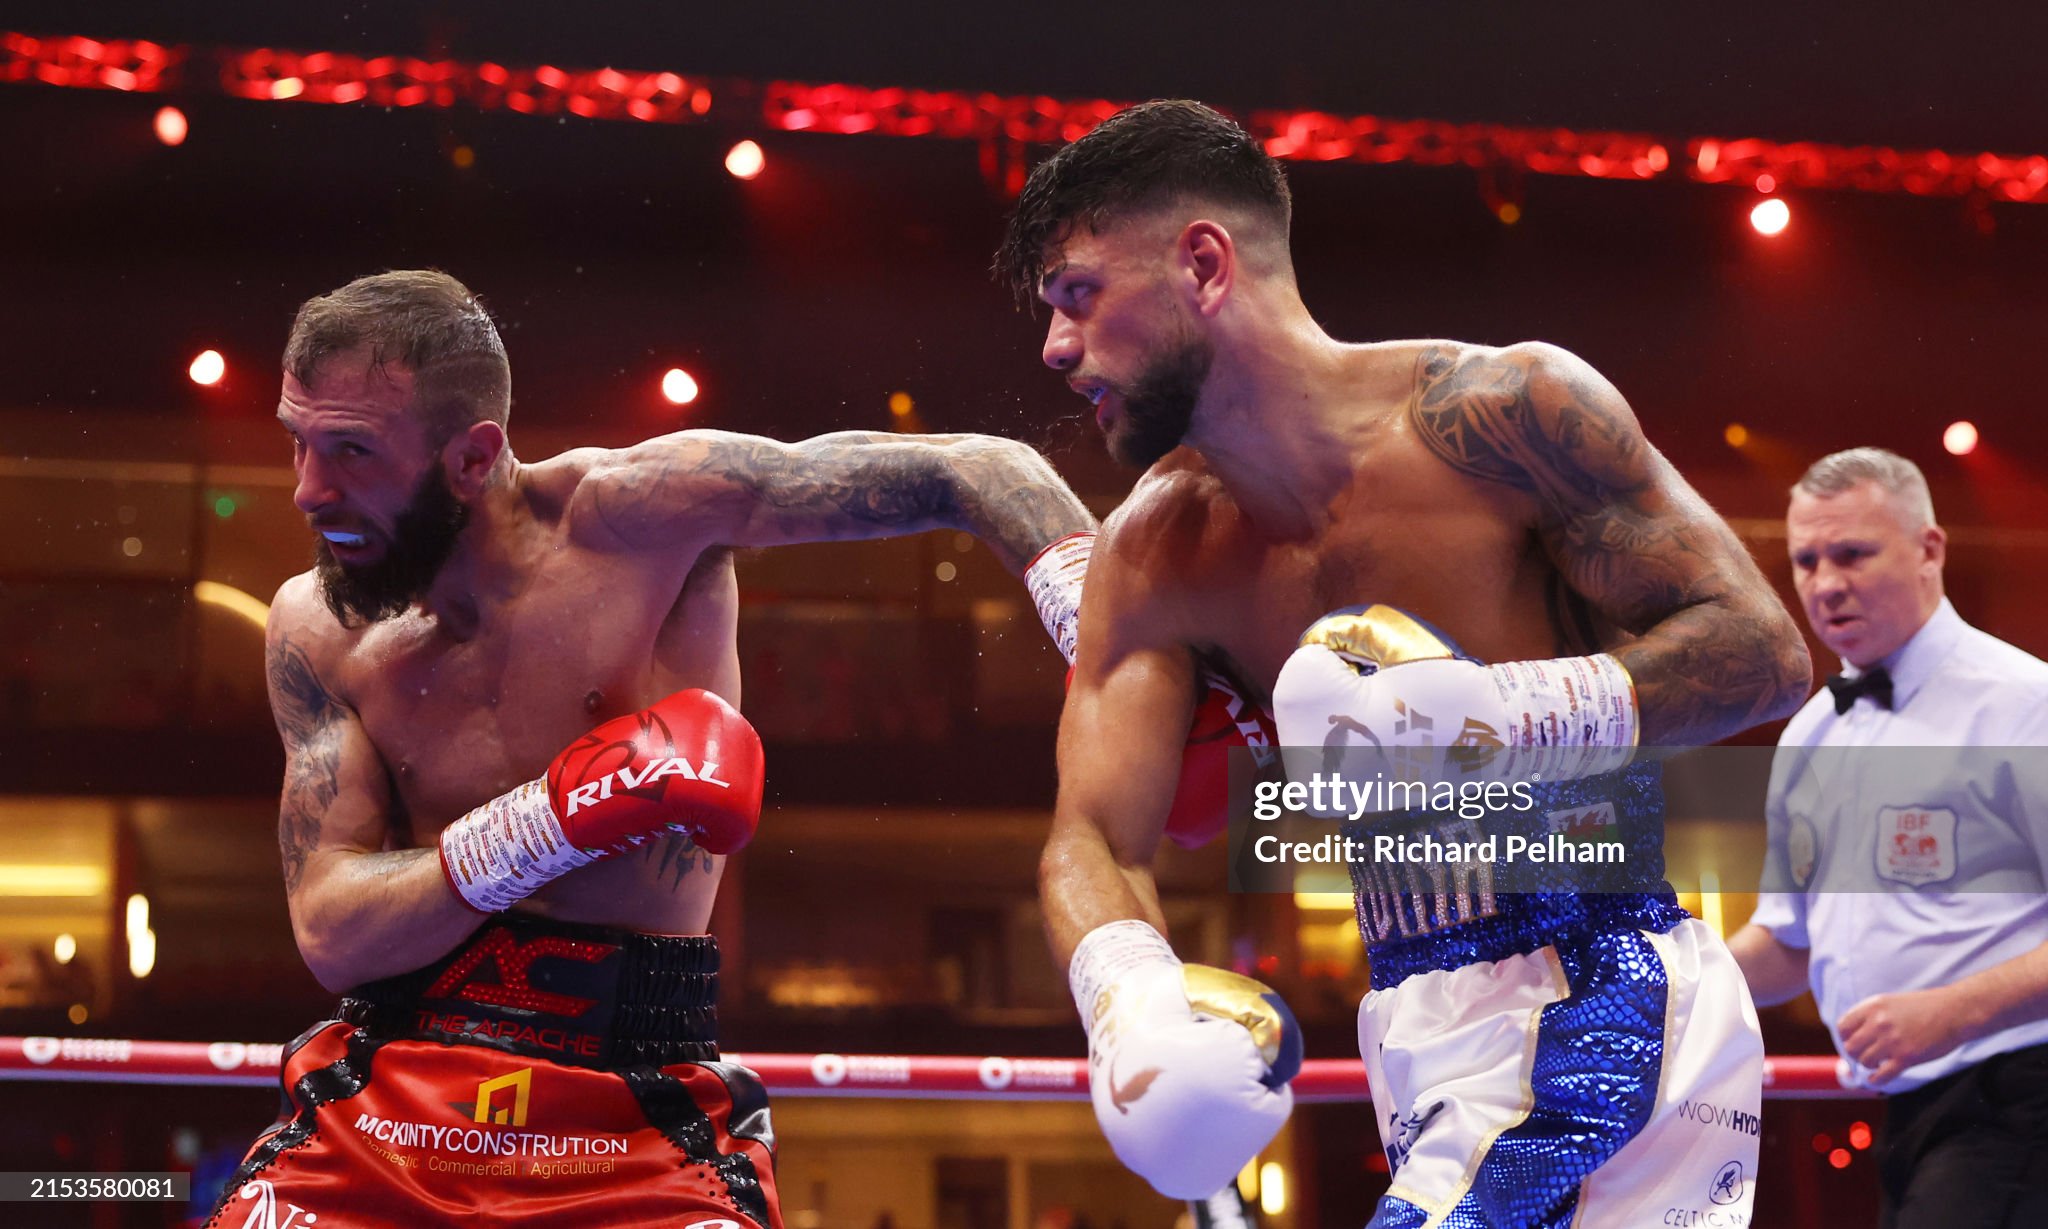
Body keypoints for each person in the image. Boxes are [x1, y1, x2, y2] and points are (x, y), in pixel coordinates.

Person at [998, 100, 1812, 1224]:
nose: (1055, 346)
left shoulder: (1502, 417)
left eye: (1077, 295)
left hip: (1597, 979)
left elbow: (1763, 650)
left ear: (1201, 264)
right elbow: (1092, 834)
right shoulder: (1157, 549)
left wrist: (1499, 713)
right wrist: (1127, 999)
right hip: (1412, 1011)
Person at [207, 269, 1101, 1229]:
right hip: (389, 1101)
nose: (308, 490)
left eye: (351, 451)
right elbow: (331, 930)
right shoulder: (315, 627)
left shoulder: (642, 519)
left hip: (632, 1106)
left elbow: (976, 471)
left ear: (473, 458)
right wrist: (549, 821)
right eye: (298, 442)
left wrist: (1112, 652)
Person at [1728, 447, 2048, 1228]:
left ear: (1929, 549)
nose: (1825, 582)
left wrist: (1954, 1010)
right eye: (1806, 559)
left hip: (2023, 1093)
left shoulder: (2022, 705)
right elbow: (1788, 944)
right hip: (1905, 1109)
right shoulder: (1810, 735)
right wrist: (1662, 982)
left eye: (1852, 553)